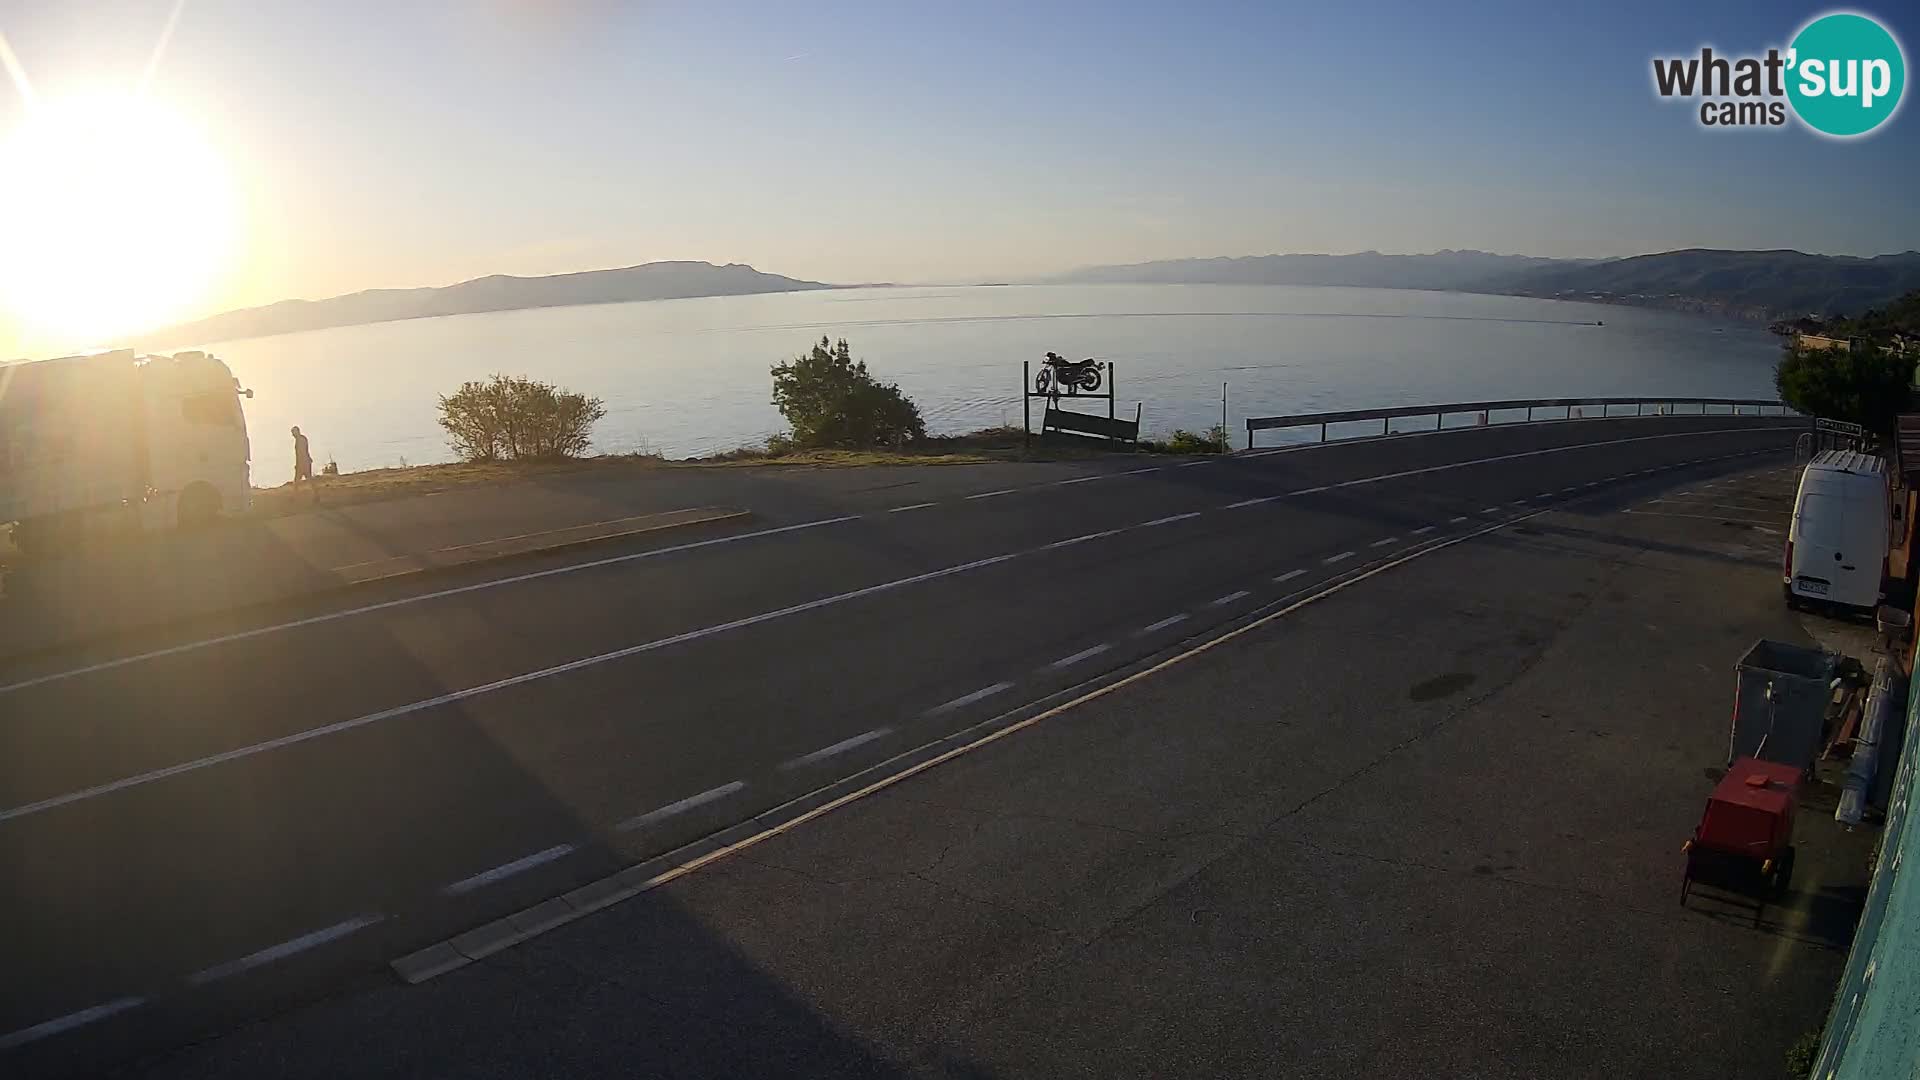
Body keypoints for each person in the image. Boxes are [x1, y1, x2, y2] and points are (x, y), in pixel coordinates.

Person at [291, 425, 318, 503]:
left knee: (297, 481)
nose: (292, 435)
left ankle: (294, 497)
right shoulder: (302, 439)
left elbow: (301, 453)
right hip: (305, 462)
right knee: (308, 480)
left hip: (303, 463)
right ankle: (315, 495)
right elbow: (305, 451)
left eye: (293, 433)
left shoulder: (300, 440)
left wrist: (298, 464)